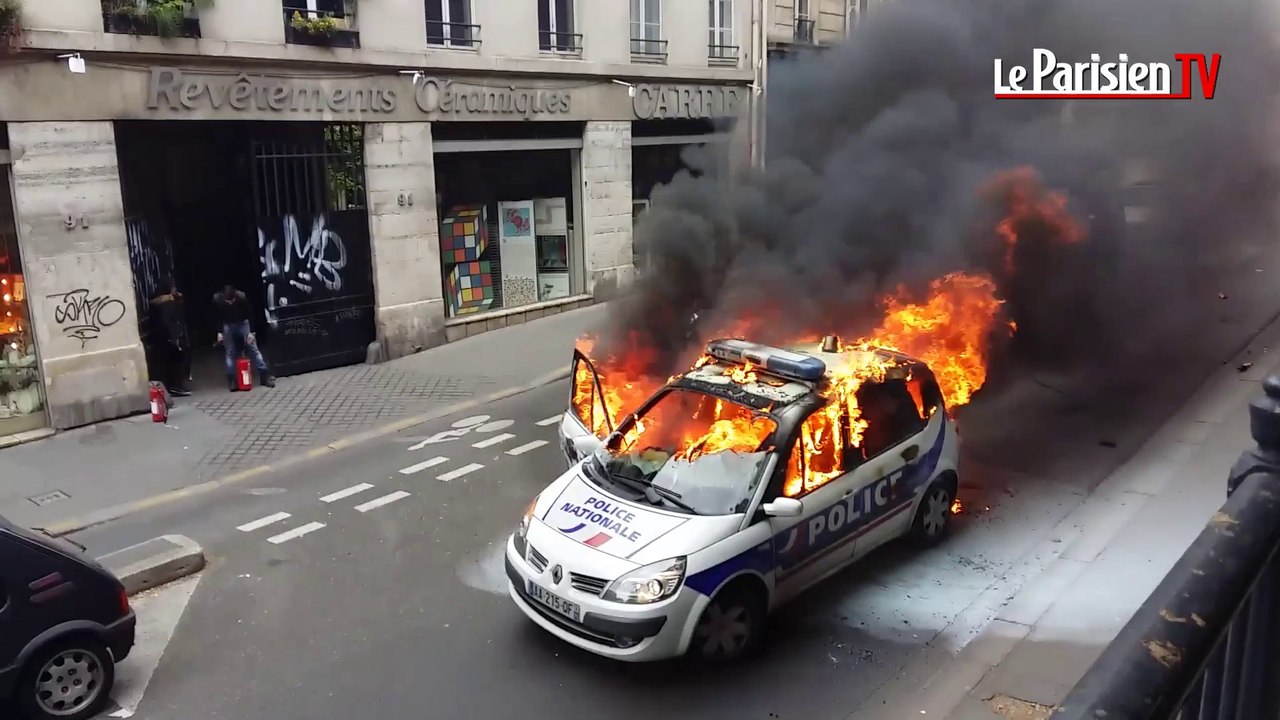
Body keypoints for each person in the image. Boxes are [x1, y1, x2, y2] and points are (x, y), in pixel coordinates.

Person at [214, 284, 275, 391]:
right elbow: (218, 316)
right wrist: (220, 332)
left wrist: (252, 332)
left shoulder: (242, 298)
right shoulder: (219, 300)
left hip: (243, 323)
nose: (230, 303)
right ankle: (232, 380)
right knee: (230, 351)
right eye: (228, 302)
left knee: (253, 348)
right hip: (228, 324)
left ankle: (265, 375)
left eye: (232, 301)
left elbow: (251, 314)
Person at [148, 277, 192, 397]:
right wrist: (175, 337)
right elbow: (170, 321)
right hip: (169, 337)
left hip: (160, 338)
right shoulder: (168, 303)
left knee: (167, 363)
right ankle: (176, 386)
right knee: (178, 362)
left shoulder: (156, 302)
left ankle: (170, 385)